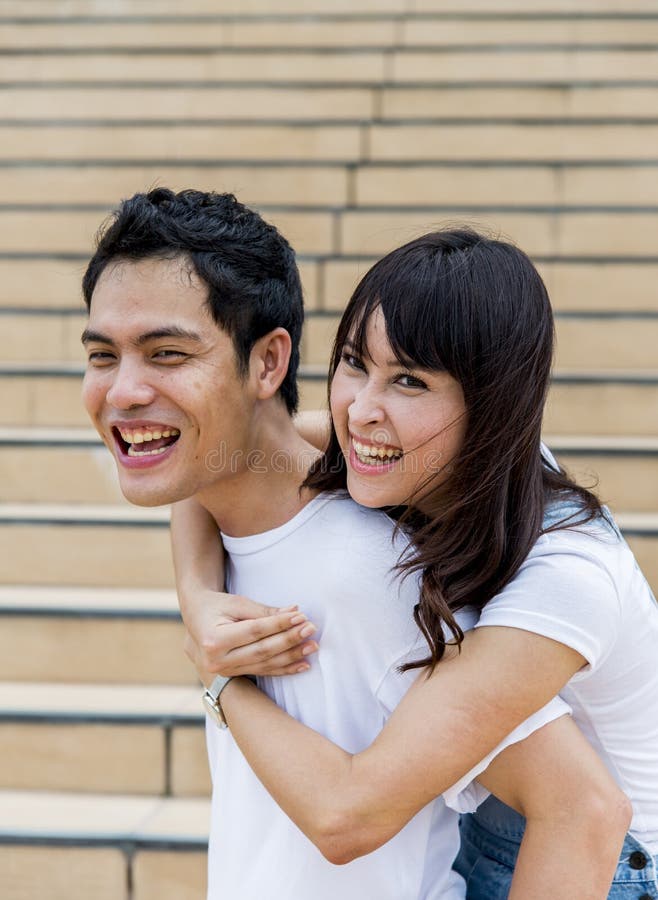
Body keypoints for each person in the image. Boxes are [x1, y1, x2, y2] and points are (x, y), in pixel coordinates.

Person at [79, 190, 613, 899]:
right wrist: (197, 599)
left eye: (166, 354)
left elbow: (584, 810)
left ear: (268, 364)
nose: (122, 392)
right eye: (101, 355)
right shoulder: (231, 511)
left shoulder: (376, 576)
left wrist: (216, 681)